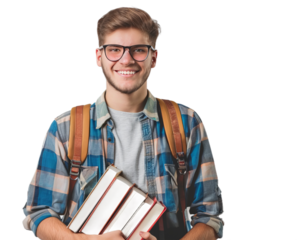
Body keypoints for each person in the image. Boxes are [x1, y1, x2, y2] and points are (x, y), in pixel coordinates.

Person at [22, 4, 224, 240]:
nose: (126, 60)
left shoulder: (186, 122)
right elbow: (39, 213)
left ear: (153, 58)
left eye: (138, 50)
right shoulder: (65, 128)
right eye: (115, 49)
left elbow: (209, 217)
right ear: (99, 57)